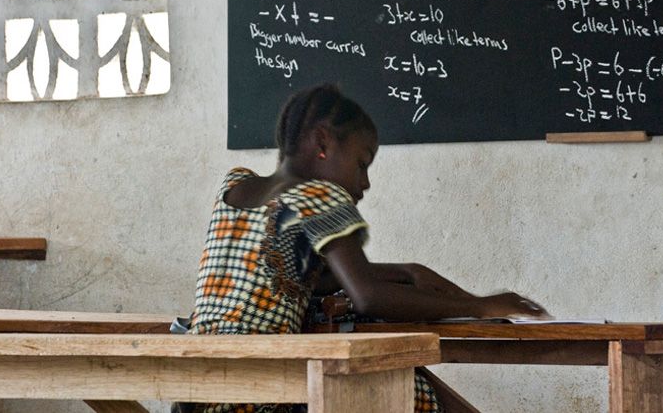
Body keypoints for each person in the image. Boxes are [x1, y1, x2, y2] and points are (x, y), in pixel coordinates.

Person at [182, 84, 547, 413]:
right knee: (408, 387)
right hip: (264, 395)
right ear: (322, 144)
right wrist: (480, 306)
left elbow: (294, 275)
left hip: (196, 385)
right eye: (361, 164)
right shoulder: (321, 195)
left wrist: (406, 272)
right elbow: (368, 297)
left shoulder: (235, 185)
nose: (365, 183)